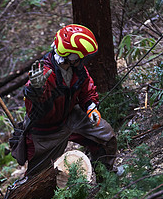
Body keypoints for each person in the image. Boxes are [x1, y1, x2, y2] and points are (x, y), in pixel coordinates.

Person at [12, 24, 117, 177]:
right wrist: (35, 89)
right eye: (82, 58)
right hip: (45, 129)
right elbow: (33, 107)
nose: (84, 61)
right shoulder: (44, 74)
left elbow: (86, 88)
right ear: (71, 56)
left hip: (70, 115)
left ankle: (107, 177)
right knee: (39, 176)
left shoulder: (77, 69)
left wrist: (90, 106)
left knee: (105, 137)